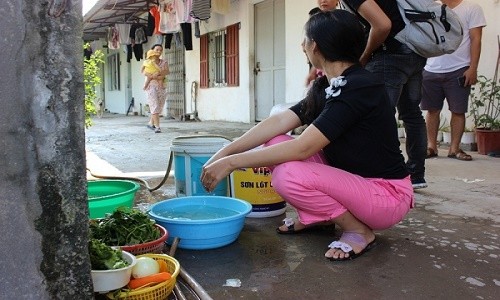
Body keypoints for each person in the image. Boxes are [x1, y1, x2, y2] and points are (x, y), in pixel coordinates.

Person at [201, 10, 414, 261]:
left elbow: (303, 148)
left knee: (289, 175)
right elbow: (280, 121)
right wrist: (225, 151)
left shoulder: (360, 86)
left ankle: (358, 230)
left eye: (305, 40)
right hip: (352, 181)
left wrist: (232, 163)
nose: (302, 46)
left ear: (315, 46)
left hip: (385, 196)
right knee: (276, 140)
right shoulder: (328, 84)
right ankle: (321, 220)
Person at [340, 0, 428, 189]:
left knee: (379, 117)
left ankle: (388, 174)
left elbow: (382, 25)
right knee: (412, 114)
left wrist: (364, 56)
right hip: (414, 52)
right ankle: (416, 175)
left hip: (389, 55)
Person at [421, 0, 486, 161]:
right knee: (432, 110)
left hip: (459, 68)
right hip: (431, 67)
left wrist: (472, 68)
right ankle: (431, 146)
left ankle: (454, 149)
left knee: (458, 110)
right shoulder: (431, 7)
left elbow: (476, 39)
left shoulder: (472, 8)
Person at [305, 0, 339, 87]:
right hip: (322, 73)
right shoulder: (317, 22)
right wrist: (313, 71)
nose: (323, 1)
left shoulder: (342, 20)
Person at [142, 44, 169, 133]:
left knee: (160, 106)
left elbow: (167, 71)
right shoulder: (147, 61)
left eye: (160, 50)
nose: (159, 52)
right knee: (154, 105)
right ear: (152, 50)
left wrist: (161, 75)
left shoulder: (164, 62)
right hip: (151, 86)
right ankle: (157, 127)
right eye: (157, 50)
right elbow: (143, 71)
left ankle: (151, 122)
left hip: (162, 86)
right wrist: (152, 76)